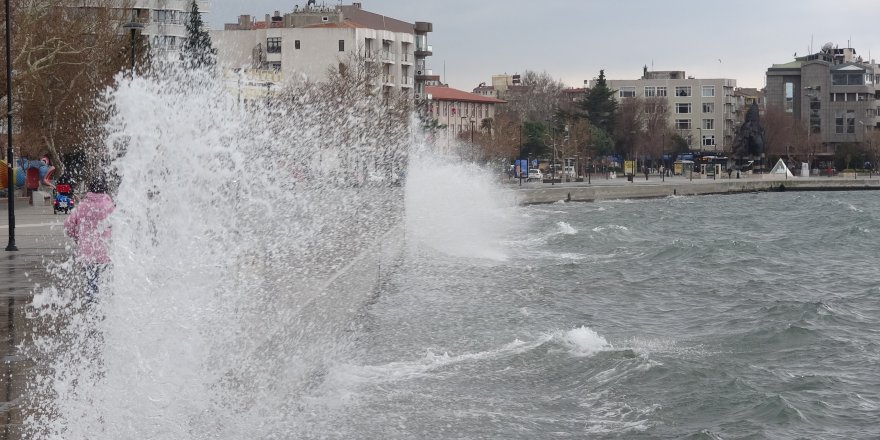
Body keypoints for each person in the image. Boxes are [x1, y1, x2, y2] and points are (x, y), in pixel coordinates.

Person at [64, 176, 114, 301]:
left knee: (91, 281)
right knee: (105, 280)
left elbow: (68, 224)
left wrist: (77, 237)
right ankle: (105, 305)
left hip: (87, 250)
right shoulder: (109, 205)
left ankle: (91, 303)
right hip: (105, 249)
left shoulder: (82, 205)